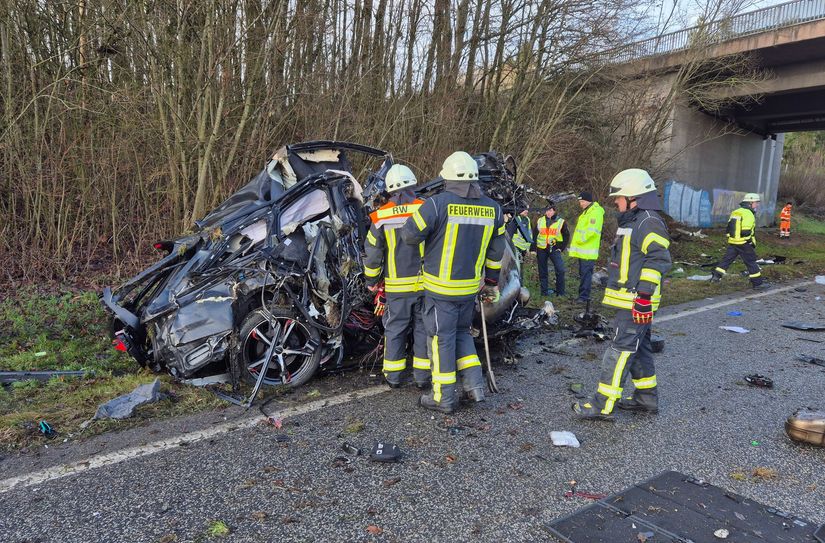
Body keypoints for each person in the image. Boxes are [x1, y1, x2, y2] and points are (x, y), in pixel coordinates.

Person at [401, 151, 505, 414]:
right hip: (470, 289)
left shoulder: (436, 204)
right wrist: (490, 282)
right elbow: (497, 252)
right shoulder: (494, 208)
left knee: (441, 340)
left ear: (446, 178)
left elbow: (410, 236)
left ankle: (443, 398)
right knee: (462, 334)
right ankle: (475, 387)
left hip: (440, 291)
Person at [573, 169, 671, 420]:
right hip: (632, 299)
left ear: (634, 198)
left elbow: (658, 259)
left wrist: (643, 297)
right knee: (639, 348)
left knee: (620, 350)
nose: (616, 202)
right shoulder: (634, 221)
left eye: (619, 198)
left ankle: (602, 404)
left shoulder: (648, 221)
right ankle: (645, 398)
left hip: (636, 301)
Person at [364, 164, 430, 389]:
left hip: (396, 287)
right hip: (425, 284)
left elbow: (372, 254)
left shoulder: (379, 217)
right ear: (413, 184)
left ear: (389, 190)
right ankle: (422, 377)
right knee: (424, 329)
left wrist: (372, 282)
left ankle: (393, 377)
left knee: (395, 329)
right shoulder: (426, 209)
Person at [710, 193, 768, 289]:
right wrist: (749, 242)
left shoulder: (736, 212)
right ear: (750, 203)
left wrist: (731, 238)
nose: (757, 205)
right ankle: (758, 284)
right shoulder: (748, 214)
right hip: (743, 243)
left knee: (726, 260)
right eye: (756, 202)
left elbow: (729, 228)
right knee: (751, 262)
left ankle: (715, 277)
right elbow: (746, 231)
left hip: (733, 242)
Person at [568, 191, 604, 303]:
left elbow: (591, 231)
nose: (581, 204)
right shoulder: (587, 212)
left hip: (588, 251)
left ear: (588, 201)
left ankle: (584, 297)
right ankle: (582, 295)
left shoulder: (595, 212)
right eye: (580, 201)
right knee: (583, 274)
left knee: (586, 275)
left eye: (582, 201)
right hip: (584, 251)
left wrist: (579, 240)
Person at [534, 203, 569, 296]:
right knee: (542, 271)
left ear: (554, 211)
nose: (548, 213)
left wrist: (561, 248)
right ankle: (544, 292)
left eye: (550, 210)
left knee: (560, 270)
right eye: (546, 211)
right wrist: (533, 248)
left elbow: (566, 236)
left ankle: (560, 292)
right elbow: (534, 234)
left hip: (554, 249)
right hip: (541, 248)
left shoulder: (561, 221)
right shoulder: (540, 220)